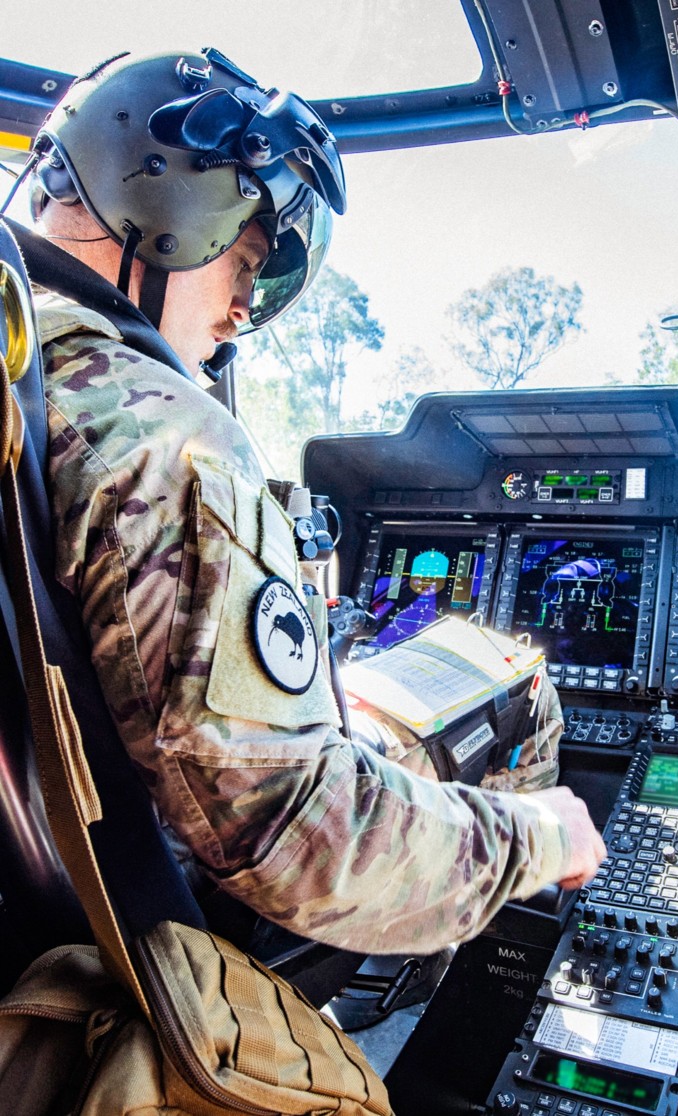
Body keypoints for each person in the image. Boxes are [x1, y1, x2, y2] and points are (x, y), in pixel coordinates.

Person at [6, 49, 607, 953]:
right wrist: (540, 837)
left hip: (58, 855)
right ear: (172, 205)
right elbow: (299, 835)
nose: (245, 309)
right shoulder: (160, 429)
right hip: (153, 905)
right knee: (517, 682)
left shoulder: (29, 360)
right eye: (246, 263)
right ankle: (485, 1000)